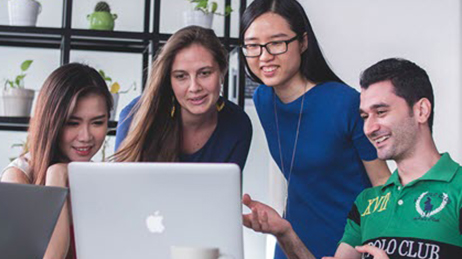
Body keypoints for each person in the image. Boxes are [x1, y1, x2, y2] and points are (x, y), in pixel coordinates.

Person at [243, 58, 462, 259]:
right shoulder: (367, 202)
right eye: (365, 116)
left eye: (381, 112)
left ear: (421, 110)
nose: (369, 128)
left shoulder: (458, 188)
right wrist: (285, 233)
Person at [239, 0, 390, 257]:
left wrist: (369, 245)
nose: (264, 56)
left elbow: (382, 184)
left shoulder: (345, 102)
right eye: (253, 46)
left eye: (277, 42)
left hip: (349, 244)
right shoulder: (264, 99)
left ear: (303, 42)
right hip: (290, 242)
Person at [1, 63, 113, 259]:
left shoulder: (97, 177)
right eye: (72, 123)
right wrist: (56, 177)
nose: (86, 136)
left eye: (97, 122)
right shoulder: (18, 177)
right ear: (51, 122)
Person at [114, 26, 252, 169]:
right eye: (181, 76)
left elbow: (226, 189)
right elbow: (121, 186)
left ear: (222, 72)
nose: (194, 87)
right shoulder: (135, 115)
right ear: (169, 80)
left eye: (204, 73)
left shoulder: (238, 125)